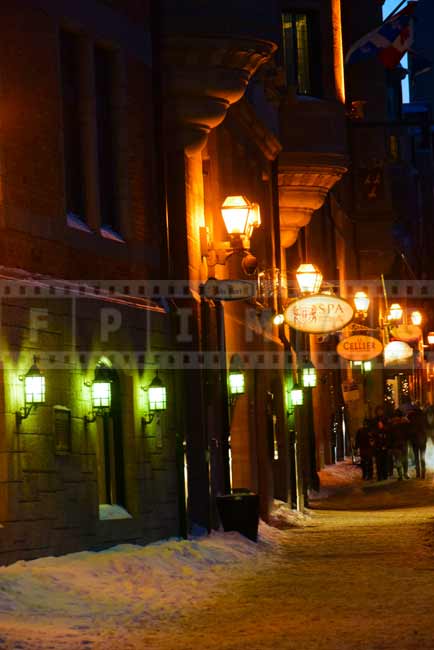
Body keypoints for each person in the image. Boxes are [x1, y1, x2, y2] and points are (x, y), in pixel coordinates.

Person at [388, 409, 410, 480]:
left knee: (399, 460)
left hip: (397, 444)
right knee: (403, 459)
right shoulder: (404, 423)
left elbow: (390, 436)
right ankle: (404, 474)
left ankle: (401, 475)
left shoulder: (393, 424)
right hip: (402, 443)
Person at [407, 403, 427, 479]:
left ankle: (418, 473)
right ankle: (423, 473)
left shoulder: (410, 416)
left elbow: (409, 428)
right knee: (422, 456)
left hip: (414, 439)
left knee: (416, 456)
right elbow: (427, 425)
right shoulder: (423, 415)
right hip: (422, 438)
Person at [372, 406, 390, 481]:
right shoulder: (374, 420)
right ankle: (379, 476)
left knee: (384, 460)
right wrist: (377, 433)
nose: (380, 412)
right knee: (378, 461)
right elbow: (372, 430)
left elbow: (389, 429)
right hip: (377, 443)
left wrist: (383, 428)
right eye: (378, 411)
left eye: (381, 410)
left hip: (384, 442)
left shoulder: (385, 419)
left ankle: (385, 475)